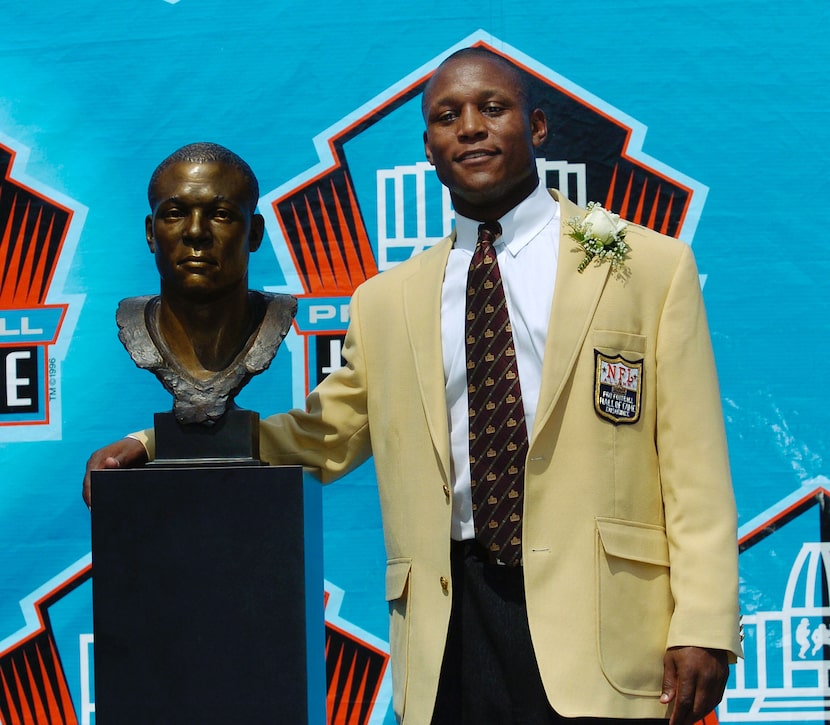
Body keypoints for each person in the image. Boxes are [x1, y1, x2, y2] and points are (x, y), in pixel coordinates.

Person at [84, 49, 742, 724]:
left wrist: (704, 622)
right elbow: (324, 434)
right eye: (447, 116)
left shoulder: (649, 268)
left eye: (493, 108)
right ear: (428, 147)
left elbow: (695, 468)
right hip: (449, 624)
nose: (471, 128)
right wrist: (156, 443)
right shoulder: (387, 301)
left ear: (537, 126)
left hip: (604, 630)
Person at [115, 142, 296, 425]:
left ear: (255, 234)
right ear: (151, 233)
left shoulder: (273, 318)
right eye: (175, 213)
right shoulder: (136, 324)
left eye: (220, 214)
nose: (196, 231)